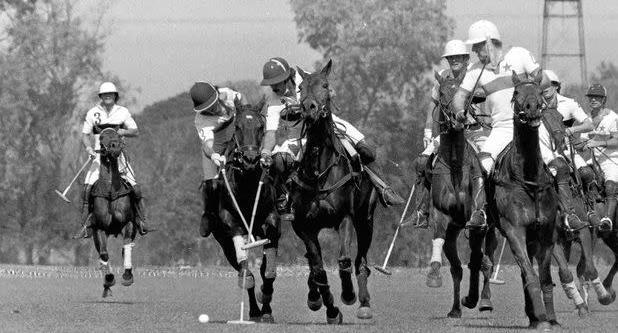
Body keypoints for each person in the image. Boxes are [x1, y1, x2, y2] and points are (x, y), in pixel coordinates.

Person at [259, 57, 405, 209]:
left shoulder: (307, 79)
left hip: (328, 124)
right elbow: (270, 132)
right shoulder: (273, 101)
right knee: (281, 161)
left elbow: (331, 93)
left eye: (277, 83)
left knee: (364, 148)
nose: (274, 87)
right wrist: (266, 151)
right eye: (271, 84)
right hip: (299, 136)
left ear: (287, 77)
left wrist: (308, 103)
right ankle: (287, 199)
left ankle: (384, 189)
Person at [451, 19, 539, 229]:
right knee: (483, 163)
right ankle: (480, 212)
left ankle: (568, 213)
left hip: (532, 126)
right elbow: (459, 96)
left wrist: (529, 88)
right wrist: (460, 111)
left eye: (477, 46)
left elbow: (541, 80)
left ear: (489, 42)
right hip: (502, 128)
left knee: (556, 164)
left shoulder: (519, 55)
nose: (474, 51)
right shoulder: (475, 70)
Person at [401, 39, 487, 228]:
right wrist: (428, 128)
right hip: (448, 133)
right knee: (422, 161)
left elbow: (484, 98)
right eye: (451, 58)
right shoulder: (442, 76)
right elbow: (433, 103)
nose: (454, 60)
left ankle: (486, 209)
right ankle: (421, 212)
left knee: (486, 164)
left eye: (458, 57)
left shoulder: (474, 75)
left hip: (473, 132)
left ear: (466, 58)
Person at [73, 82, 155, 239]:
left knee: (136, 189)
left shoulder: (122, 112)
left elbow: (135, 131)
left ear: (115, 95)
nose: (107, 96)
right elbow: (84, 134)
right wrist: (89, 149)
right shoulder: (93, 113)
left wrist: (123, 131)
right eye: (104, 94)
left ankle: (141, 221)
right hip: (98, 157)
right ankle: (86, 225)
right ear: (101, 97)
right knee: (86, 189)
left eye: (110, 93)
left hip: (119, 157)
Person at [540, 69, 594, 231]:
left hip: (564, 148)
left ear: (556, 87)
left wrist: (571, 130)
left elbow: (589, 124)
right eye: (543, 85)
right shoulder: (535, 103)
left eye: (550, 85)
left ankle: (590, 209)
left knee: (586, 173)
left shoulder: (569, 103)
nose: (546, 88)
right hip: (543, 150)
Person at [191, 81, 247, 237]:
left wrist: (247, 113)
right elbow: (208, 144)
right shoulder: (201, 120)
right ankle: (209, 214)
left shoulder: (226, 94)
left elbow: (243, 99)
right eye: (206, 108)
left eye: (213, 104)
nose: (211, 109)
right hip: (216, 146)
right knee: (212, 183)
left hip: (238, 135)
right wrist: (214, 154)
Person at [583, 83, 618, 232]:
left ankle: (607, 219)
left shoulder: (613, 117)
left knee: (610, 187)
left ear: (603, 100)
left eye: (597, 97)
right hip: (592, 158)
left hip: (611, 158)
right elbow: (581, 142)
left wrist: (597, 143)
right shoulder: (586, 118)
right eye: (591, 97)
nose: (593, 100)